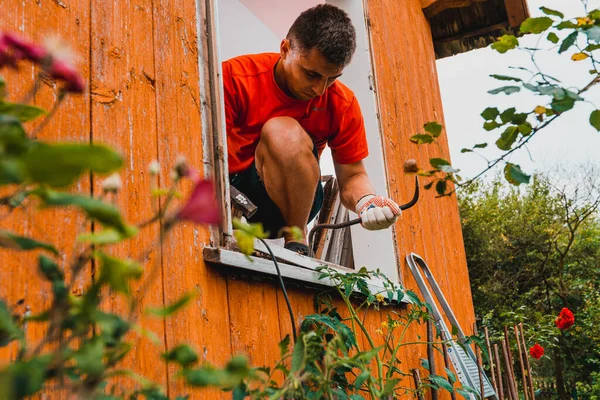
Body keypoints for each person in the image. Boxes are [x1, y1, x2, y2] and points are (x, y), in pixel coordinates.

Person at [223, 4, 401, 255]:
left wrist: (366, 201)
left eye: (332, 78)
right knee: (279, 129)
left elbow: (352, 177)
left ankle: (297, 239)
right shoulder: (234, 76)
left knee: (282, 132)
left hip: (291, 201)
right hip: (232, 188)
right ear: (285, 49)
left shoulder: (342, 103)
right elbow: (204, 152)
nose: (319, 90)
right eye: (311, 74)